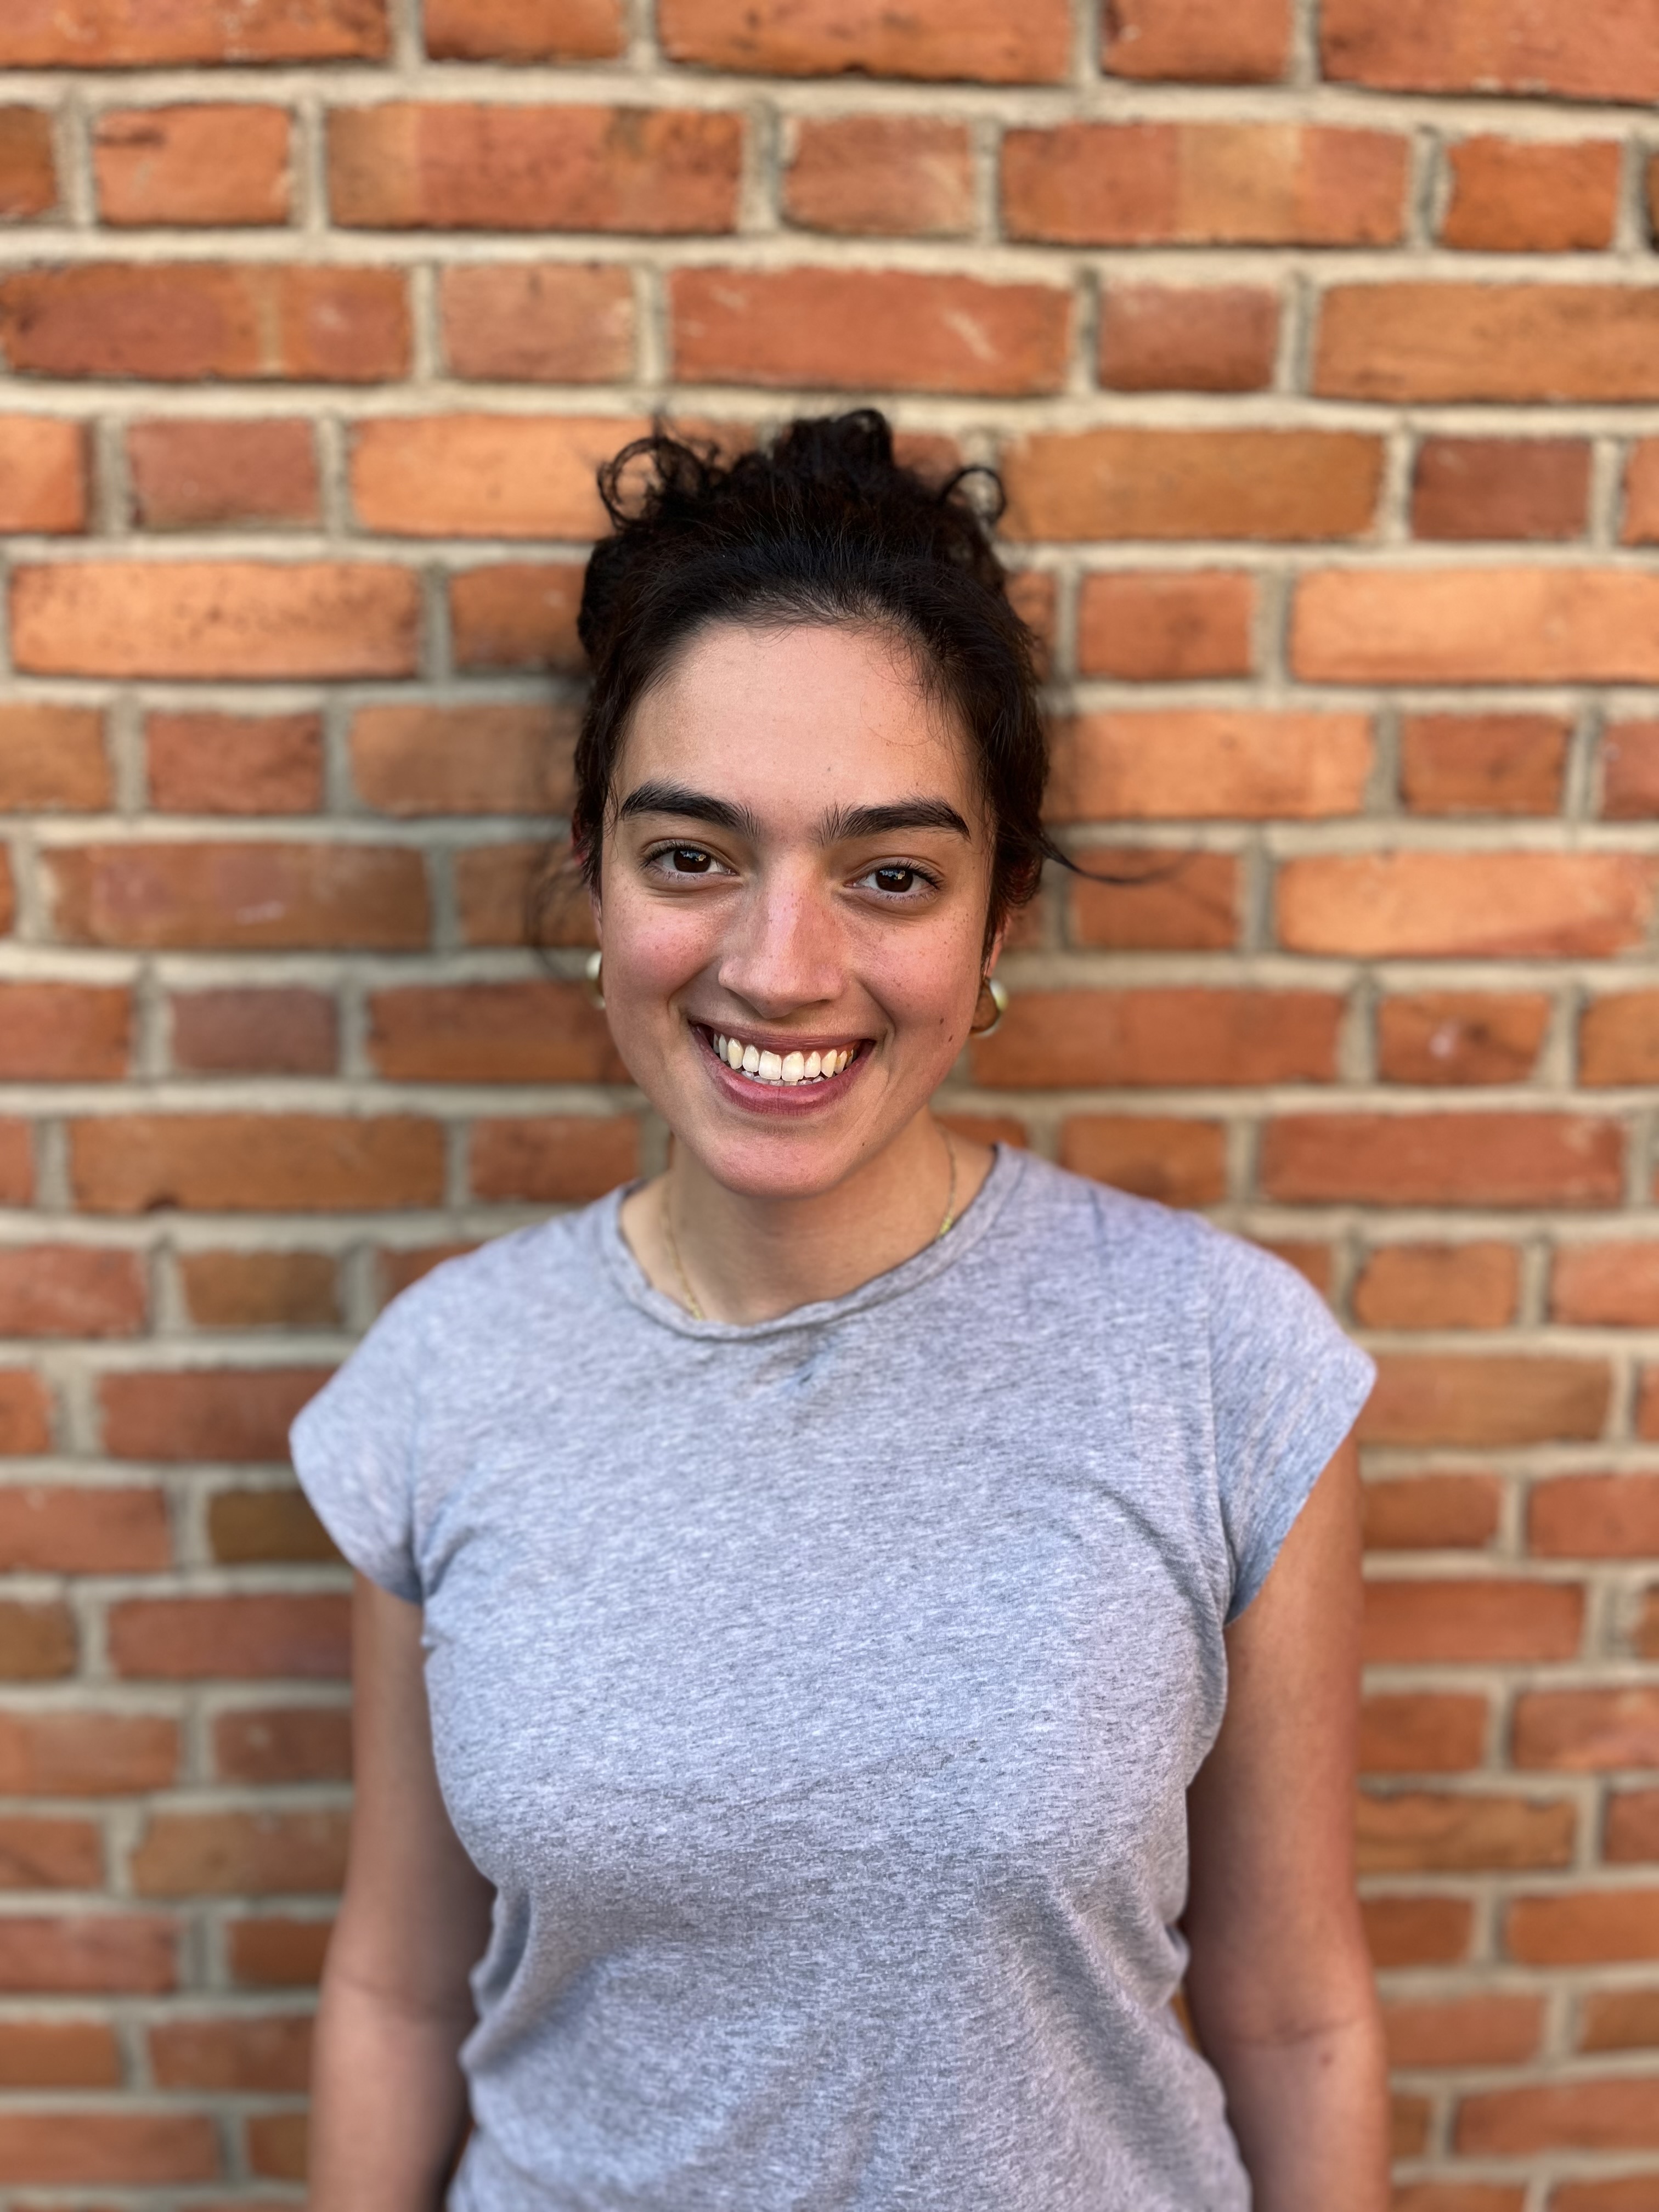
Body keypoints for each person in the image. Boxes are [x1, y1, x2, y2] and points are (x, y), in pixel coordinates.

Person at [292, 411, 1389, 2211]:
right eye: (692, 856)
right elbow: (400, 1988)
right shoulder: (443, 1382)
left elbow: (1296, 2014)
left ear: (996, 918)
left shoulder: (1224, 1371)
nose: (780, 966)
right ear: (594, 873)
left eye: (891, 875)